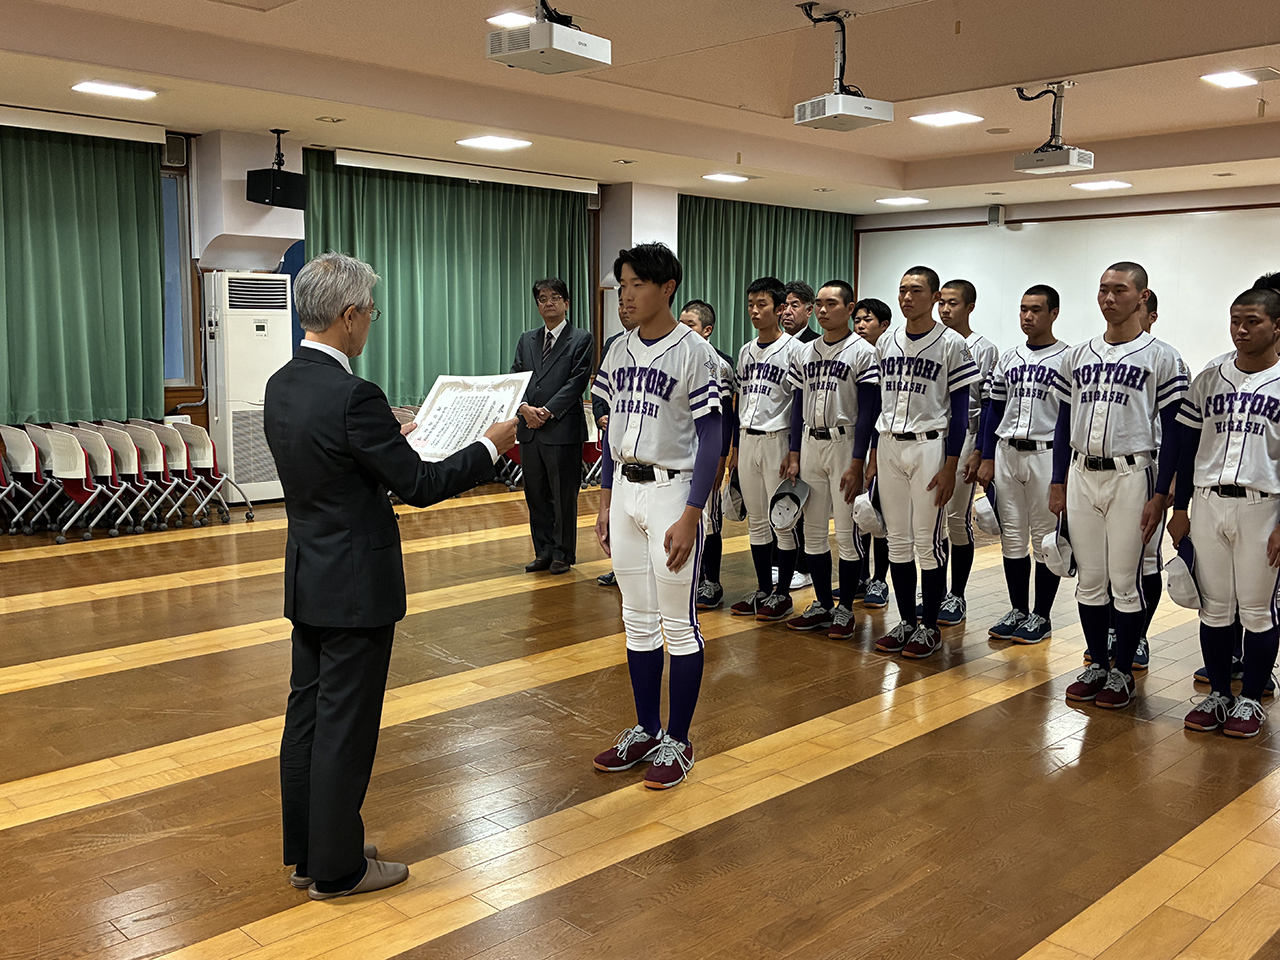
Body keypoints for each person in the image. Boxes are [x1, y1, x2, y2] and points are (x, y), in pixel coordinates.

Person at [264, 252, 517, 900]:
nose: (370, 324)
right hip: (356, 586)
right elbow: (423, 485)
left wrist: (392, 435)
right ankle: (340, 870)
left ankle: (312, 852)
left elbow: (333, 465)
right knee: (345, 725)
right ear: (348, 316)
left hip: (308, 575)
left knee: (308, 719)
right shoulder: (355, 394)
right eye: (369, 313)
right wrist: (490, 446)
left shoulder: (284, 383)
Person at [590, 242, 723, 789]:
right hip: (624, 486)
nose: (625, 295)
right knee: (636, 621)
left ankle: (679, 738)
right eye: (622, 285)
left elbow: (713, 439)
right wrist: (602, 501)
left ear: (665, 288)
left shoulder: (697, 354)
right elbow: (608, 432)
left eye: (635, 285)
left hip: (674, 493)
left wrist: (694, 512)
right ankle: (645, 729)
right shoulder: (618, 350)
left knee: (678, 625)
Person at [1052, 262, 1187, 709]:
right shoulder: (1079, 354)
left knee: (1126, 580)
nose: (1109, 298)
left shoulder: (1162, 355)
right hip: (1081, 472)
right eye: (1103, 290)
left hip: (1134, 474)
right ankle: (1097, 664)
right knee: (1090, 579)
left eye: (1120, 290)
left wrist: (1163, 491)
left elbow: (1176, 431)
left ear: (1142, 297)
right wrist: (1057, 480)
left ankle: (1123, 671)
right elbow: (1063, 422)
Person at [1171, 287, 1280, 738]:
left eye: (1252, 321)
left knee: (1257, 611)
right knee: (1214, 608)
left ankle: (1251, 699)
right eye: (1235, 319)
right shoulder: (1210, 375)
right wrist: (1180, 507)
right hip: (1209, 502)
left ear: (1277, 326)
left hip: (1263, 507)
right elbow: (1186, 443)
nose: (1241, 329)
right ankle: (1219, 693)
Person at [872, 266, 980, 659]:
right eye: (902, 289)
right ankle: (905, 622)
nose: (906, 297)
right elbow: (878, 402)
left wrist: (952, 463)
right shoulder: (886, 342)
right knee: (896, 540)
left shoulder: (951, 343)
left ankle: (929, 627)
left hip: (929, 446)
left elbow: (960, 405)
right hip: (889, 444)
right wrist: (870, 456)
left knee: (927, 542)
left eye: (916, 290)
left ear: (934, 297)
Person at [782, 279, 880, 638]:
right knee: (812, 532)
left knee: (847, 532)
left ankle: (844, 610)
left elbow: (869, 412)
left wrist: (859, 461)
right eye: (819, 304)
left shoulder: (863, 352)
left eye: (832, 304)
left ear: (850, 308)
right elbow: (796, 405)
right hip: (810, 441)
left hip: (845, 441)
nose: (823, 310)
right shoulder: (804, 352)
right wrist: (793, 452)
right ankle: (822, 604)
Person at [977, 285, 1069, 644]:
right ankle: (1018, 609)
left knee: (1045, 538)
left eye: (1035, 310)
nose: (1027, 316)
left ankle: (1041, 616)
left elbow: (1069, 419)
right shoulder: (1009, 357)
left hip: (1046, 453)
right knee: (1011, 537)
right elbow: (994, 408)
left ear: (1053, 314)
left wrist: (1063, 474)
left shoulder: (1068, 358)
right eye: (1022, 309)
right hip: (1007, 452)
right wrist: (986, 455)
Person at [728, 277, 805, 620]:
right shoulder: (745, 351)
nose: (755, 311)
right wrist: (733, 448)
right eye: (751, 305)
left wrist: (795, 451)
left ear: (779, 309)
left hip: (778, 438)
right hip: (747, 438)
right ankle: (763, 589)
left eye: (762, 305)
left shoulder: (795, 350)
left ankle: (784, 593)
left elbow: (800, 402)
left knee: (782, 520)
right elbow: (738, 401)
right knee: (756, 521)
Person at [510, 278, 595, 575]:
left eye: (555, 297)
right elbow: (515, 377)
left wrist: (546, 411)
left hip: (561, 430)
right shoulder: (527, 339)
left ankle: (562, 553)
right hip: (530, 431)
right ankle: (542, 551)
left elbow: (577, 382)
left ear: (567, 303)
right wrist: (523, 408)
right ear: (537, 305)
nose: (549, 303)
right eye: (542, 298)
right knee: (535, 495)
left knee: (563, 497)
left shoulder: (581, 338)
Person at [933, 279, 1000, 626]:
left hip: (965, 439)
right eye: (941, 302)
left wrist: (980, 451)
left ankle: (955, 594)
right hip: (930, 440)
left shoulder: (984, 348)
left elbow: (988, 404)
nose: (945, 309)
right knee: (930, 523)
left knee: (957, 520)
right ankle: (931, 591)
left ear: (969, 307)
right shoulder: (933, 342)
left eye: (953, 303)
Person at [679, 299, 738, 610]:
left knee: (709, 518)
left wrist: (721, 460)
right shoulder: (673, 356)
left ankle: (711, 581)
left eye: (690, 325)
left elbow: (725, 418)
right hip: (678, 453)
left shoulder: (720, 364)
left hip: (707, 452)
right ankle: (684, 574)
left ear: (707, 330)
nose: (682, 329)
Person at [593, 297, 639, 587]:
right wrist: (601, 416)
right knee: (618, 521)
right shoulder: (614, 344)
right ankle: (619, 567)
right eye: (619, 302)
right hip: (616, 438)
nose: (623, 309)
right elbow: (601, 390)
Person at [853, 297, 893, 609]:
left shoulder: (888, 358)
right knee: (858, 515)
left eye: (868, 320)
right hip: (853, 444)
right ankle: (861, 576)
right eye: (858, 320)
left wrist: (876, 454)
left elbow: (881, 411)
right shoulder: (854, 356)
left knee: (879, 515)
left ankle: (880, 579)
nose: (861, 325)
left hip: (881, 446)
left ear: (884, 325)